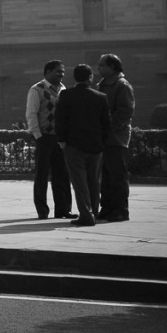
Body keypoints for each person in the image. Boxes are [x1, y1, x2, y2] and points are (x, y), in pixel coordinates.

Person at [55, 64, 112, 227]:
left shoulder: (66, 95)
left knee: (79, 182)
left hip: (73, 145)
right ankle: (93, 212)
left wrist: (61, 140)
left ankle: (86, 215)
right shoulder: (101, 97)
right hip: (95, 146)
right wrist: (102, 142)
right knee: (94, 181)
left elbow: (60, 119)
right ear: (90, 77)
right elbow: (106, 123)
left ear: (75, 78)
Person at [26, 59, 76, 220]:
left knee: (62, 174)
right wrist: (38, 135)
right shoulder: (37, 89)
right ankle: (42, 210)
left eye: (62, 72)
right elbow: (31, 114)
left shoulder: (63, 89)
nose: (61, 74)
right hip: (44, 137)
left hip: (60, 138)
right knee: (42, 175)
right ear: (47, 72)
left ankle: (63, 209)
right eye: (58, 71)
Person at [97, 53, 135, 222]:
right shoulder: (101, 85)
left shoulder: (122, 85)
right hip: (103, 138)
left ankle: (120, 210)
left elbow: (125, 112)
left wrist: (109, 128)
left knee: (117, 176)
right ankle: (106, 207)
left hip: (116, 138)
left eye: (102, 65)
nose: (98, 68)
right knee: (105, 177)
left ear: (112, 67)